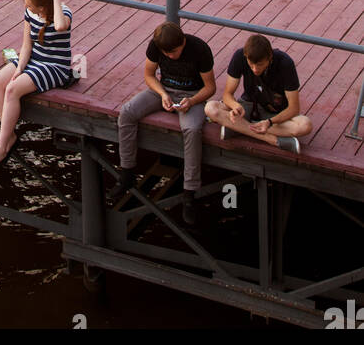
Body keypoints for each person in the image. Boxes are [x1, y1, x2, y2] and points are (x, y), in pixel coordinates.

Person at [112, 21, 216, 224]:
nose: (169, 56)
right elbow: (149, 75)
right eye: (165, 53)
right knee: (127, 113)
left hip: (192, 95)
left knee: (192, 129)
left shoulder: (200, 49)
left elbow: (210, 87)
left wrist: (192, 101)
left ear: (183, 42)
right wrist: (161, 94)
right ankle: (126, 173)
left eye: (174, 52)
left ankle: (189, 191)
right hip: (164, 90)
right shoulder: (154, 46)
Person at [0, 0, 74, 167]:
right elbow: (26, 45)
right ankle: (9, 136)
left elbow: (60, 27)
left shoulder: (63, 13)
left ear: (42, 6)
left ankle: (1, 146)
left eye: (30, 4)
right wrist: (19, 69)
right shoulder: (30, 13)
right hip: (33, 59)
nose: (26, 7)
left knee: (12, 89)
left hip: (54, 65)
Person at [205, 35, 312, 153]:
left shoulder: (285, 63)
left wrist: (269, 122)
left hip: (275, 114)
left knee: (305, 125)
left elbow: (293, 108)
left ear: (270, 57)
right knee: (210, 108)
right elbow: (227, 95)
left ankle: (239, 128)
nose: (255, 69)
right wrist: (235, 106)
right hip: (248, 106)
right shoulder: (239, 56)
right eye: (251, 64)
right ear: (246, 56)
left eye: (260, 64)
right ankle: (273, 140)